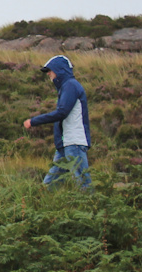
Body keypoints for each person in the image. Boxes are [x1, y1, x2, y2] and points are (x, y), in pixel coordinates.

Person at [23, 55, 91, 188]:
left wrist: (34, 121)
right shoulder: (67, 87)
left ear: (59, 70)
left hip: (74, 143)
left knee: (83, 185)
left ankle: (92, 208)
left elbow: (62, 113)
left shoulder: (70, 86)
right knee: (50, 185)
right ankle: (40, 206)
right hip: (66, 144)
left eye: (50, 70)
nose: (48, 73)